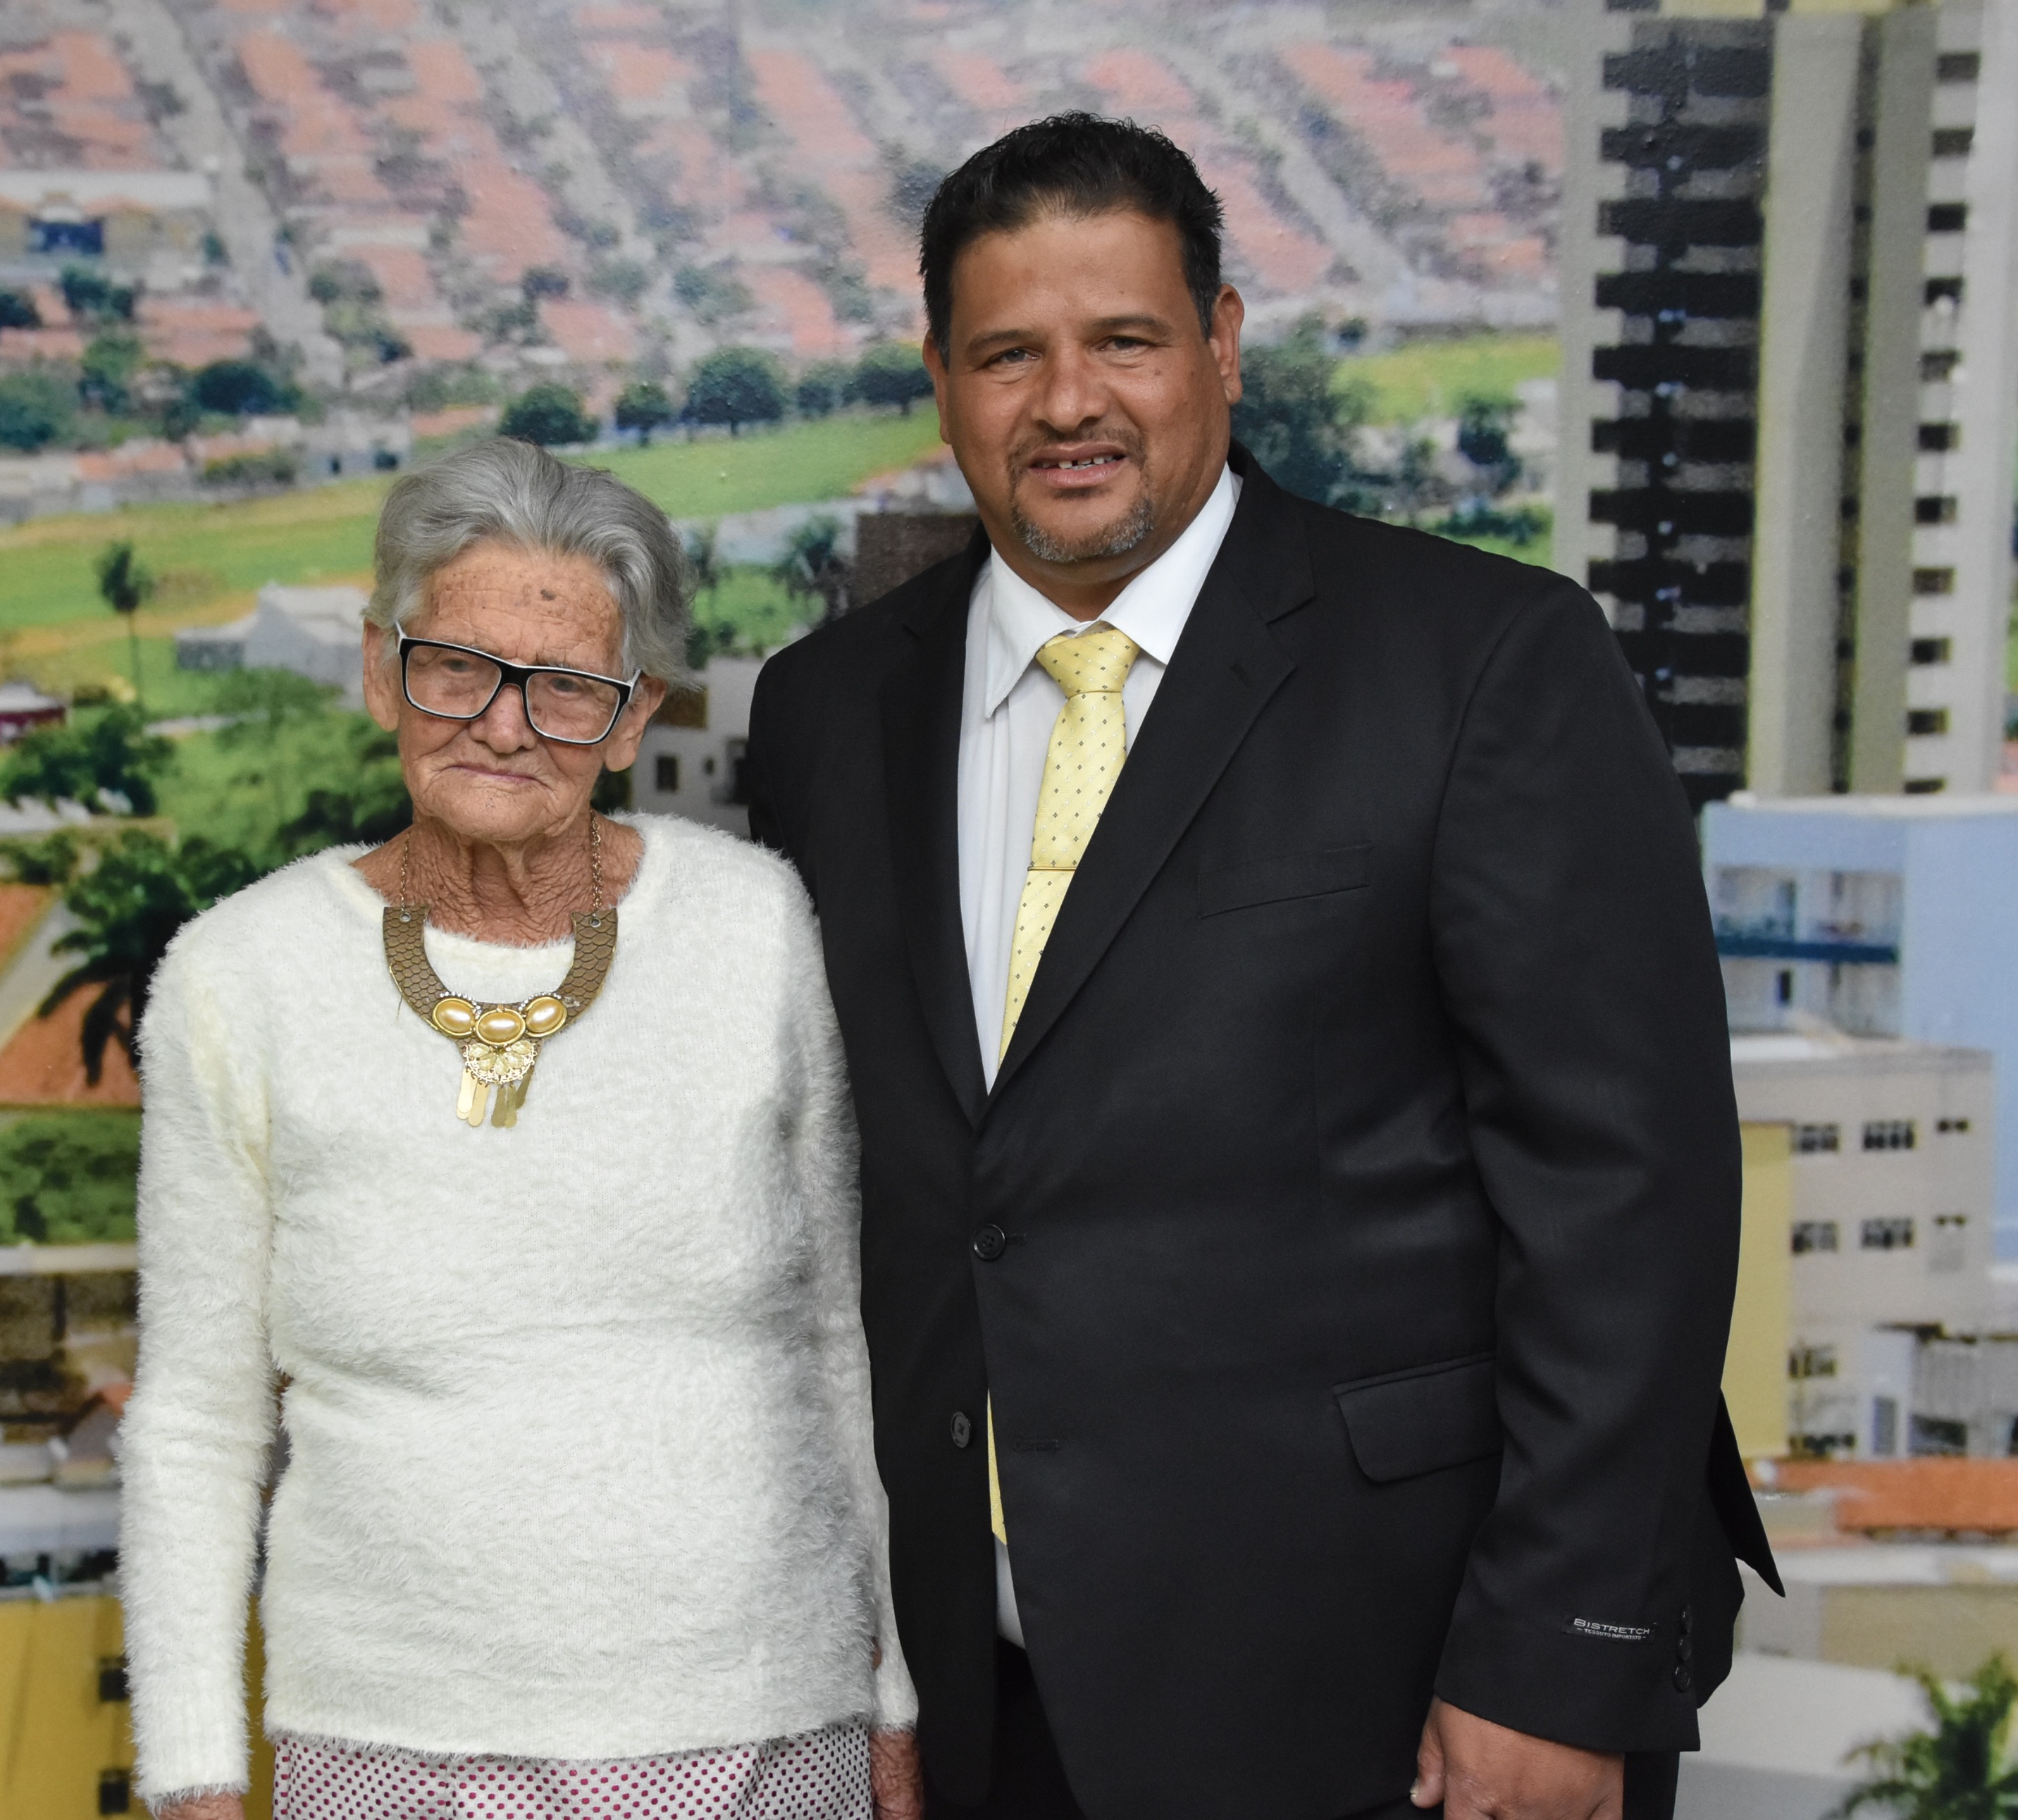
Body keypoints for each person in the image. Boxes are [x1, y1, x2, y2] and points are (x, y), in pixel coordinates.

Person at [745, 115, 1778, 1820]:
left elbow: (1629, 1198)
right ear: (940, 379)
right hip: (967, 1708)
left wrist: (1558, 1655)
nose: (1066, 402)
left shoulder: (1482, 661)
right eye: (1007, 355)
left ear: (1220, 343)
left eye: (1123, 341)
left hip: (1397, 1706)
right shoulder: (825, 710)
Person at [120, 438, 924, 1820]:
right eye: (457, 667)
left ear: (634, 715)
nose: (503, 726)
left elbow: (842, 1343)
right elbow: (196, 1420)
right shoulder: (237, 973)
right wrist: (194, 1774)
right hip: (390, 1749)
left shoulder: (757, 926)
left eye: (564, 686)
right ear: (381, 669)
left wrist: (893, 1700)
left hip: (765, 1729)